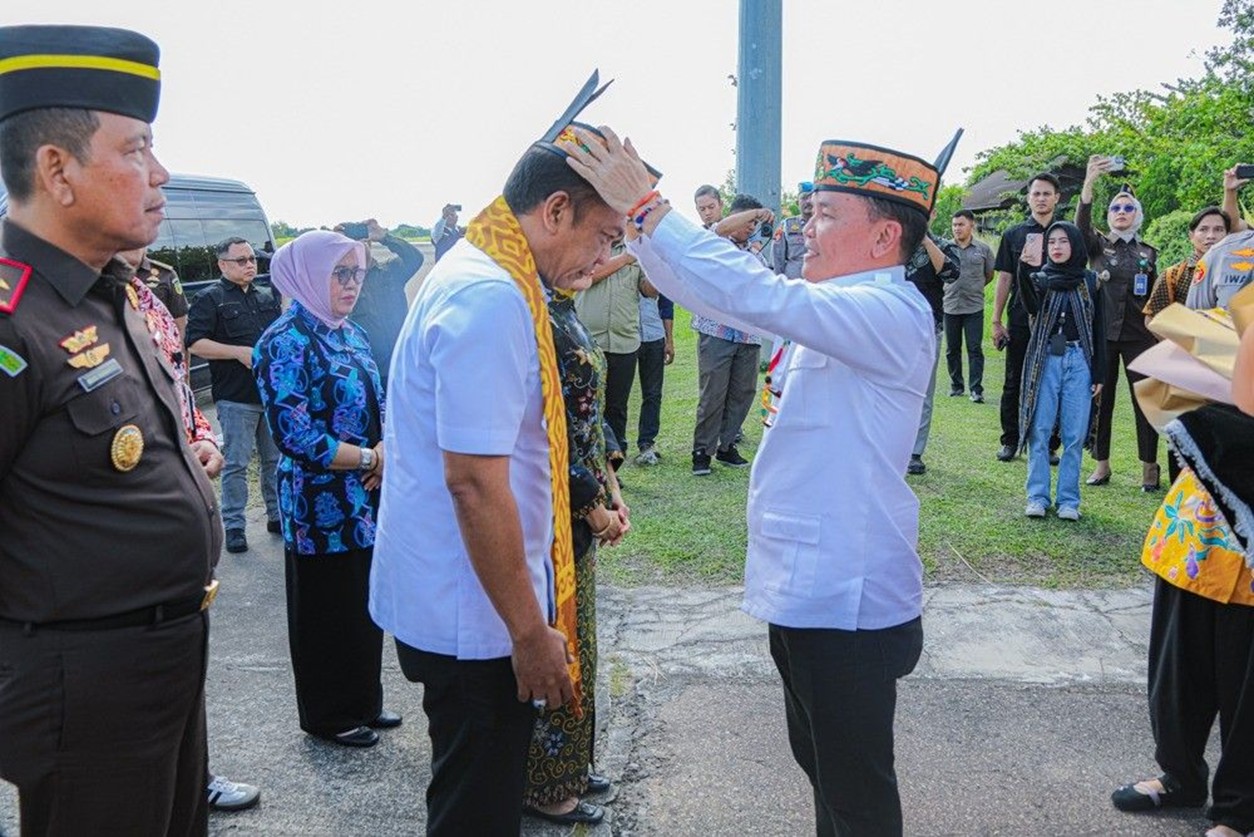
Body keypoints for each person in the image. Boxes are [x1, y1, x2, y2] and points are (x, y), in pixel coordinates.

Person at [566, 127, 937, 837]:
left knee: (856, 794)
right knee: (825, 771)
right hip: (808, 586)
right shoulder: (837, 306)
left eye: (826, 214)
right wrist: (640, 233)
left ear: (884, 236)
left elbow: (756, 293)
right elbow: (723, 300)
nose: (806, 228)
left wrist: (647, 208)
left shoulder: (889, 312)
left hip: (847, 596)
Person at [369, 113, 642, 834]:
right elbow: (474, 481)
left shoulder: (485, 271)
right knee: (478, 808)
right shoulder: (490, 296)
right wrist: (529, 631)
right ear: (555, 210)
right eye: (605, 236)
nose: (606, 255)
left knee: (475, 790)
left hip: (468, 596)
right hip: (478, 616)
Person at [0, 25, 223, 833]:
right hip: (85, 688)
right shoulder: (13, 319)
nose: (159, 174)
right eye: (136, 149)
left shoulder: (108, 295)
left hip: (165, 661)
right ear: (57, 171)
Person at [121, 252, 262, 813]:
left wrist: (201, 437)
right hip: (106, 546)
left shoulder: (147, 299)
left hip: (171, 529)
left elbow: (178, 389)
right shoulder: (38, 306)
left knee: (179, 668)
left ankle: (190, 776)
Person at [1111, 300, 1254, 837]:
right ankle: (1179, 776)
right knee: (1177, 672)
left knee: (1247, 688)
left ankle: (1240, 810)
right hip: (1198, 533)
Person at [253, 231, 400, 749]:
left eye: (357, 273)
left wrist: (384, 449)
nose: (351, 284)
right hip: (318, 504)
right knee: (326, 610)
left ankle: (364, 701)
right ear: (309, 276)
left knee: (362, 602)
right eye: (340, 273)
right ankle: (329, 715)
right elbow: (294, 435)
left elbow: (380, 399)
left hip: (365, 495)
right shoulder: (284, 340)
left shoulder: (350, 333)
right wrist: (369, 457)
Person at [522, 278, 632, 827]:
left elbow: (591, 416)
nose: (601, 256)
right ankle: (544, 783)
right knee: (556, 639)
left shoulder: (565, 310)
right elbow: (543, 432)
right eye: (599, 240)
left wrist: (612, 489)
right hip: (549, 511)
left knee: (580, 639)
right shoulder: (530, 316)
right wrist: (593, 507)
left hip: (581, 504)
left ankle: (570, 766)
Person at [186, 236, 282, 553]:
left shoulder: (265, 296)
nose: (249, 265)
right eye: (241, 260)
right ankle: (235, 525)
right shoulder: (210, 299)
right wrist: (237, 352)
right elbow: (195, 344)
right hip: (235, 396)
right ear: (223, 265)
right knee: (237, 464)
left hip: (268, 394)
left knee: (273, 460)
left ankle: (276, 516)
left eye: (252, 259)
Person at [1076, 156, 1161, 491]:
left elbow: (1155, 296)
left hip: (1141, 338)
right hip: (1104, 336)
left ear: (1137, 215)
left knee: (1146, 401)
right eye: (1115, 208)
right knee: (1101, 400)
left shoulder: (1149, 253)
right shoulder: (1097, 246)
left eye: (1128, 208)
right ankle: (1102, 464)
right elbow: (1081, 225)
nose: (1121, 212)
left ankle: (1149, 467)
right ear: (1109, 215)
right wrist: (1089, 182)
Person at [1016, 222, 1106, 520]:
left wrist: (1099, 373)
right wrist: (1023, 270)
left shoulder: (1091, 281)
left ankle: (1068, 500)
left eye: (1064, 241)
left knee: (1074, 434)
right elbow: (1030, 306)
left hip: (1080, 359)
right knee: (1040, 430)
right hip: (1045, 360)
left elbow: (1099, 328)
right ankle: (1037, 496)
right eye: (1052, 241)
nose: (1056, 247)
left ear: (1075, 245)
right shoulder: (1039, 279)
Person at [688, 192, 766, 475]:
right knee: (713, 394)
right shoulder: (714, 242)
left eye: (754, 223)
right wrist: (756, 212)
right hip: (717, 332)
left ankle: (726, 445)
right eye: (748, 220)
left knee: (742, 393)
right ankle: (702, 452)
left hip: (748, 335)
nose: (751, 227)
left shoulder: (756, 255)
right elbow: (718, 228)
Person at [992, 173, 1064, 461]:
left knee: (1055, 379)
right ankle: (1010, 440)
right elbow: (1004, 278)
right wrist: (996, 321)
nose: (1041, 198)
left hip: (1059, 322)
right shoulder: (1014, 234)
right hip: (1021, 319)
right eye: (1036, 194)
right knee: (1015, 379)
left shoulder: (1066, 234)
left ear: (1057, 198)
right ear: (1029, 198)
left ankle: (1049, 444)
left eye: (1047, 193)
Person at [575, 238, 650, 468]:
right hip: (589, 343)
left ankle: (613, 470)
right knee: (587, 406)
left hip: (624, 342)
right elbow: (588, 278)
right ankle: (588, 467)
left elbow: (649, 291)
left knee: (617, 408)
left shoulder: (639, 249)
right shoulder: (591, 244)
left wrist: (658, 269)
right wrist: (627, 258)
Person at [334, 218, 424, 389]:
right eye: (351, 245)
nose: (358, 248)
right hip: (369, 370)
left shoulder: (390, 270)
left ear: (370, 244)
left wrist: (385, 237)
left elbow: (415, 258)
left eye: (362, 242)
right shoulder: (340, 282)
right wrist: (331, 246)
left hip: (404, 364)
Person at [903, 217, 960, 475]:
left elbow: (952, 273)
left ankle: (915, 452)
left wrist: (926, 241)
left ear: (933, 214)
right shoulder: (895, 243)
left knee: (923, 392)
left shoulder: (943, 245)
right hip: (892, 327)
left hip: (928, 329)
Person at [1143, 207, 1231, 321]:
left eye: (1218, 230)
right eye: (1203, 229)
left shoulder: (1240, 272)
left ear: (1228, 235)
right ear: (1191, 236)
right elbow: (1152, 320)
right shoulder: (1173, 275)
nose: (1211, 236)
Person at [944, 209, 995, 402]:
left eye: (961, 224)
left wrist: (974, 287)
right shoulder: (945, 248)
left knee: (974, 349)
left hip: (974, 307)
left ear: (971, 225)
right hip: (950, 305)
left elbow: (989, 275)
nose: (957, 228)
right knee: (952, 349)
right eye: (954, 225)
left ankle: (976, 389)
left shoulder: (983, 249)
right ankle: (956, 386)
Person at [633, 278, 674, 465]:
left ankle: (646, 443)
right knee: (618, 395)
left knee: (653, 393)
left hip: (654, 335)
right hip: (625, 335)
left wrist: (669, 340)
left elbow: (666, 305)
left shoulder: (655, 267)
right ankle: (615, 446)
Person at [120, 246, 189, 336]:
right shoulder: (107, 272)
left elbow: (180, 324)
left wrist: (181, 345)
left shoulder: (165, 274)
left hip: (158, 341)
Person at [772, 181, 815, 279]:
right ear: (797, 202)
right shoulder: (786, 225)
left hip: (820, 283)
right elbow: (776, 258)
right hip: (793, 283)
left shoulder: (825, 225)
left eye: (812, 197)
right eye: (804, 198)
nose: (808, 202)